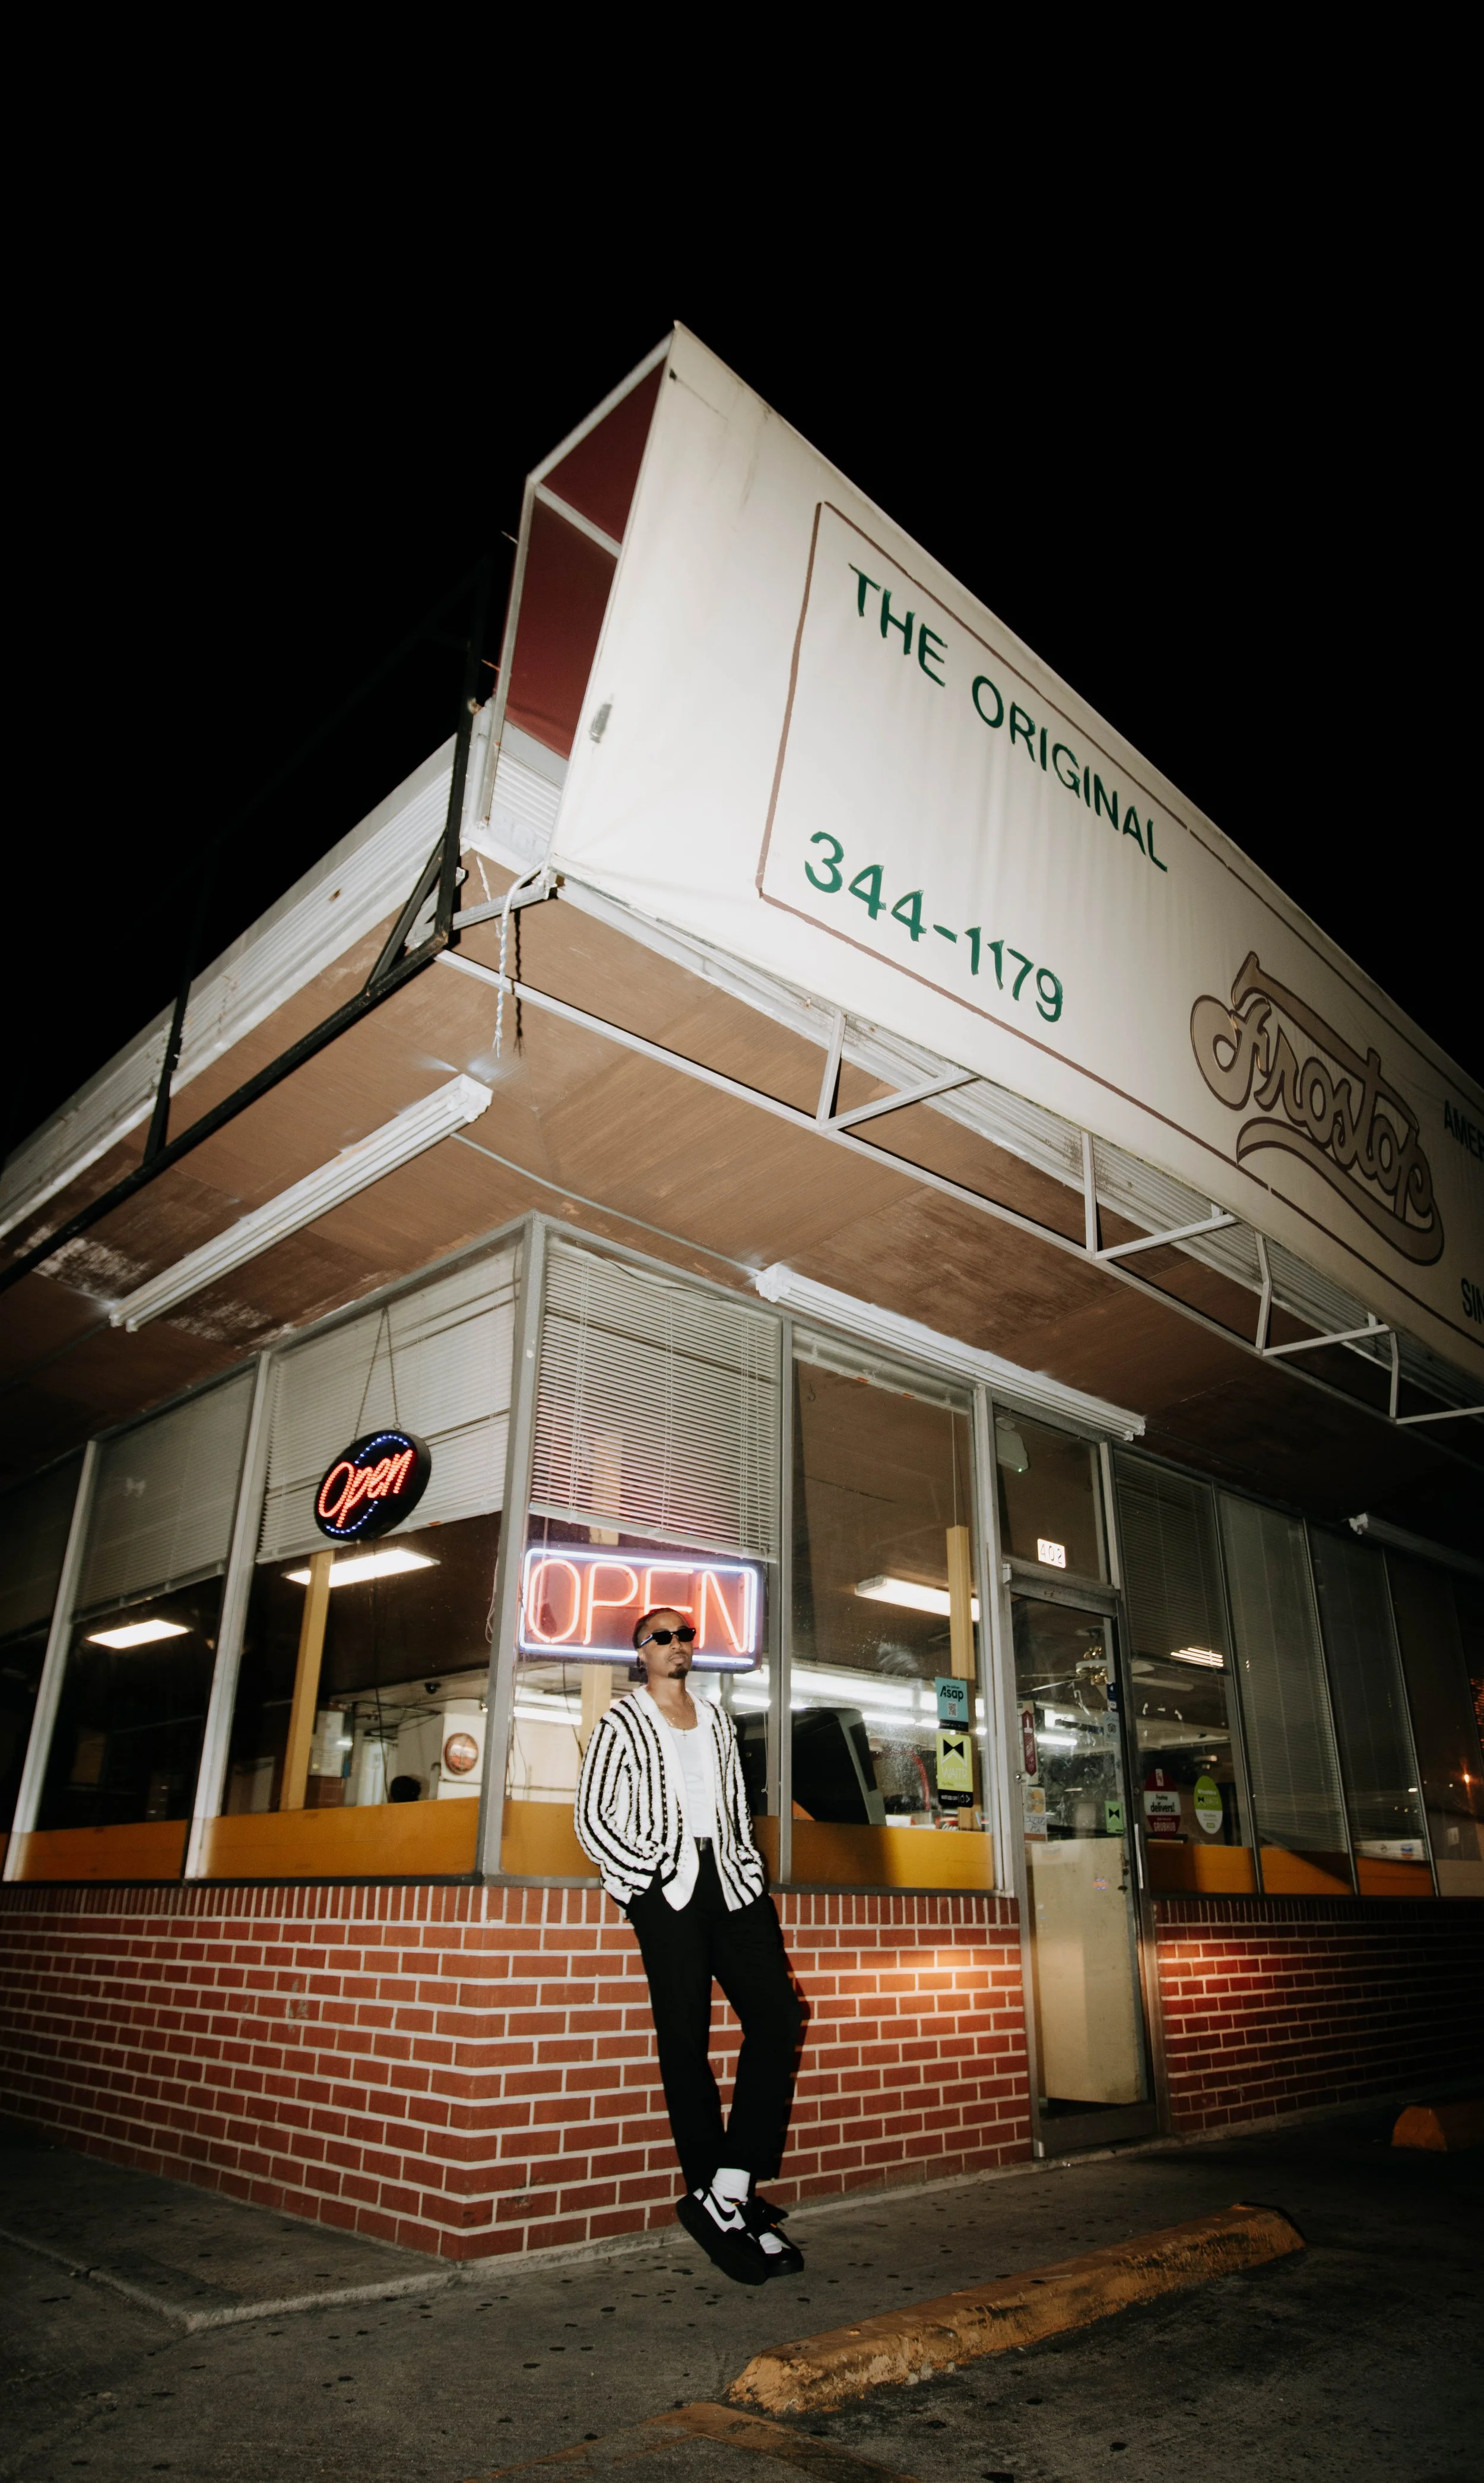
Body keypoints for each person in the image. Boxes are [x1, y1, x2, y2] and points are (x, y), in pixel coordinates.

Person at [575, 1607, 805, 2285]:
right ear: (640, 1654)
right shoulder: (623, 1721)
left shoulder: (716, 1720)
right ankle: (719, 2200)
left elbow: (733, 1803)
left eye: (685, 1635)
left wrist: (748, 1866)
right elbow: (592, 1817)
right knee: (686, 2039)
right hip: (667, 1887)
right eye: (663, 1637)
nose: (678, 1645)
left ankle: (727, 2187)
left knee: (778, 2016)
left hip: (731, 1884)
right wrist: (643, 1877)